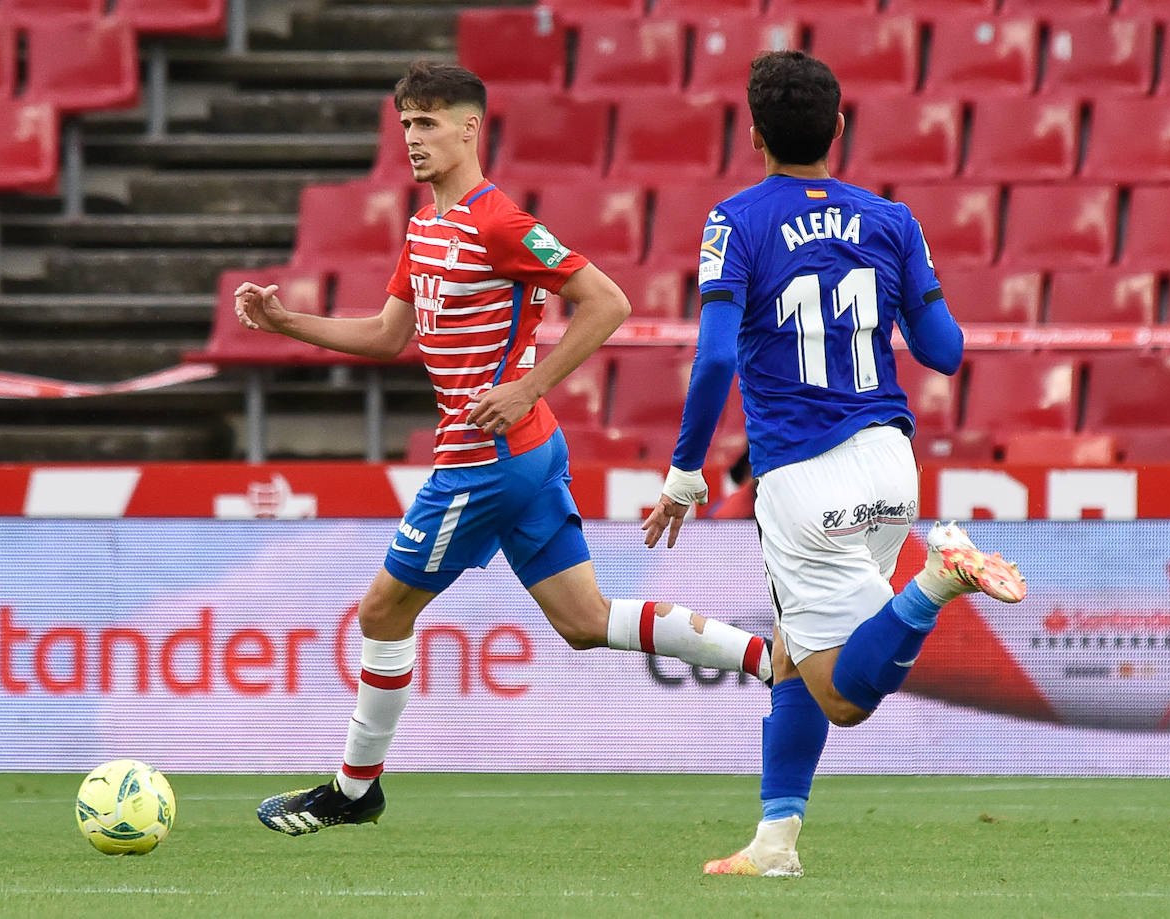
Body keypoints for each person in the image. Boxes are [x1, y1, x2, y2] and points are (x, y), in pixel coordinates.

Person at [234, 61, 777, 836]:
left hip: (483, 457)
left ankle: (355, 789)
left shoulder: (498, 222)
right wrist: (290, 323)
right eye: (406, 124)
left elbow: (608, 301)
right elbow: (390, 336)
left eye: (428, 123)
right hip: (523, 453)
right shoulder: (425, 228)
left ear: (469, 128)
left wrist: (528, 385)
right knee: (585, 620)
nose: (414, 139)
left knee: (383, 610)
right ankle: (766, 659)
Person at [640, 50, 1028, 878]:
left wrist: (684, 470)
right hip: (889, 462)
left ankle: (939, 579)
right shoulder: (892, 221)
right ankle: (775, 843)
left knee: (843, 697)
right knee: (789, 646)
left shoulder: (734, 221)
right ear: (839, 128)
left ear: (753, 134)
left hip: (802, 476)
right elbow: (947, 352)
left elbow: (712, 363)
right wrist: (910, 287)